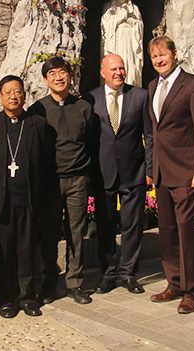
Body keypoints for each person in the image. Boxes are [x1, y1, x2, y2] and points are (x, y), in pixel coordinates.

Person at [147, 36, 194, 314]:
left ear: (175, 55)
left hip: (187, 173)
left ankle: (192, 291)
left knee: (186, 231)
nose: (159, 60)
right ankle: (174, 283)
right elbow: (156, 132)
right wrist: (152, 170)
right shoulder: (153, 86)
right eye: (154, 57)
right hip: (163, 172)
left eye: (163, 54)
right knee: (167, 231)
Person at [0, 75, 56, 318]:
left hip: (29, 200)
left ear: (24, 95)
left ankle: (27, 297)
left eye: (18, 92)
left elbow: (46, 164)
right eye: (8, 92)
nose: (14, 96)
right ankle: (6, 299)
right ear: (0, 97)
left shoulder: (38, 124)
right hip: (1, 202)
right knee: (4, 253)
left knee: (27, 251)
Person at [84, 54, 153, 295]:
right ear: (102, 72)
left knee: (132, 226)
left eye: (122, 68)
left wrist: (150, 169)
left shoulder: (141, 96)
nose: (119, 73)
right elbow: (88, 139)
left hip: (134, 173)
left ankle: (128, 273)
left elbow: (150, 135)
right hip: (102, 174)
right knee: (104, 226)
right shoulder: (90, 98)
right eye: (113, 69)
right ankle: (108, 273)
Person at [29, 57, 93, 305]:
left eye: (63, 72)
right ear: (45, 80)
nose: (58, 77)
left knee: (77, 233)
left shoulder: (84, 107)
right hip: (50, 182)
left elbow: (91, 143)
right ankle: (48, 282)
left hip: (77, 179)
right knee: (48, 234)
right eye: (52, 73)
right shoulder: (38, 109)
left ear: (71, 75)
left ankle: (75, 283)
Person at [100, 0, 144, 87]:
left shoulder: (134, 8)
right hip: (116, 42)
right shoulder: (109, 8)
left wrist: (131, 21)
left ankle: (131, 86)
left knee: (131, 69)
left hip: (130, 41)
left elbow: (139, 24)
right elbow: (105, 26)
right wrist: (120, 18)